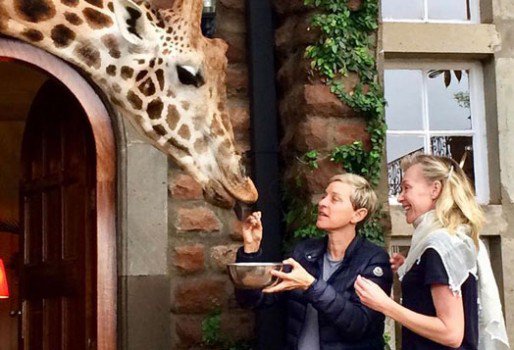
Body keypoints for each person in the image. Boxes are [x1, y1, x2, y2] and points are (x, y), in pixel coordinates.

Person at [354, 154, 510, 350]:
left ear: (435, 189)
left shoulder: (440, 245)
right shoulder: (449, 240)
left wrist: (385, 304)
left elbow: (451, 333)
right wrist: (414, 270)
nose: (400, 197)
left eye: (406, 188)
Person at [235, 173, 393, 349]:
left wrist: (311, 286)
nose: (323, 203)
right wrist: (251, 249)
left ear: (357, 215)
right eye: (325, 196)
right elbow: (253, 300)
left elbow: (360, 325)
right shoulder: (304, 253)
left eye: (335, 199)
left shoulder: (373, 260)